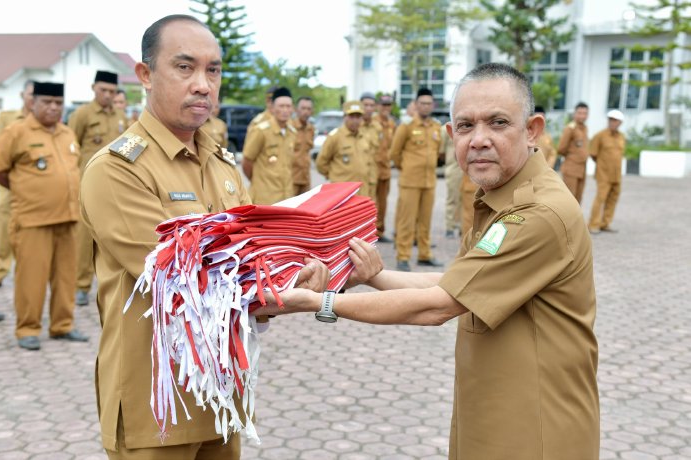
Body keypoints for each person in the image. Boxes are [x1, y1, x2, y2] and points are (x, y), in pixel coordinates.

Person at [254, 63, 600, 460]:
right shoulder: (505, 194)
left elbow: (439, 306)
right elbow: (458, 283)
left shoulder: (538, 213)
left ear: (532, 130)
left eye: (498, 123)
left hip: (536, 428)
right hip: (494, 411)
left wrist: (320, 303)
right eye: (466, 126)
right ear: (451, 136)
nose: (479, 140)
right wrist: (373, 276)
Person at [79, 15, 329, 458]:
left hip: (220, 395)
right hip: (157, 402)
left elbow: (252, 257)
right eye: (184, 67)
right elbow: (184, 280)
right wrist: (291, 293)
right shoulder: (118, 169)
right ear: (145, 75)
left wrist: (293, 272)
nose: (202, 84)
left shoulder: (221, 164)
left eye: (213, 70)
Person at [0, 81, 89, 350]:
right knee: (30, 279)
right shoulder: (17, 132)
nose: (53, 107)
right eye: (46, 101)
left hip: (68, 218)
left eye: (58, 103)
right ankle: (27, 329)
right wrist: (26, 190)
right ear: (32, 102)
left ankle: (62, 325)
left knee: (66, 278)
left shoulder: (67, 133)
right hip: (33, 219)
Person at [69, 70, 129, 306]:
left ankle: (111, 283)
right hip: (87, 185)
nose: (107, 95)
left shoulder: (121, 116)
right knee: (85, 239)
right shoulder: (82, 114)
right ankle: (81, 285)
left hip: (115, 187)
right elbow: (70, 146)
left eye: (112, 91)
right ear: (94, 88)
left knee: (114, 236)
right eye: (103, 90)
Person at [390, 88, 443, 272]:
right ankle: (403, 256)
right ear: (416, 104)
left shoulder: (436, 127)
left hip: (429, 181)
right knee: (407, 220)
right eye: (423, 103)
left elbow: (439, 152)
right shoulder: (406, 126)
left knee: (426, 221)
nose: (426, 106)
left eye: (429, 103)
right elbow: (395, 153)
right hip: (410, 181)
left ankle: (424, 254)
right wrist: (405, 169)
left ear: (433, 105)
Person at [0, 79, 34, 289]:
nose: (33, 99)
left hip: (35, 184)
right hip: (11, 182)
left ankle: (26, 272)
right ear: (22, 95)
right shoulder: (6, 118)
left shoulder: (45, 121)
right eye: (30, 95)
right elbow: (0, 151)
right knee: (3, 226)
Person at [242, 87, 296, 205]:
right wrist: (258, 181)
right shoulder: (260, 131)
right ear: (273, 107)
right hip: (265, 198)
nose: (285, 110)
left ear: (292, 109)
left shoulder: (292, 132)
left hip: (286, 197)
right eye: (281, 106)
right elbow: (247, 161)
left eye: (288, 106)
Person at [315, 100, 375, 198]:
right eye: (351, 117)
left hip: (363, 191)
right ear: (344, 117)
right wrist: (334, 176)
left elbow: (370, 162)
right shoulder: (335, 137)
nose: (355, 120)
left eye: (358, 117)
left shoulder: (365, 136)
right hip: (342, 194)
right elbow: (321, 163)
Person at [589, 109, 626, 234]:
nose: (612, 122)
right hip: (603, 174)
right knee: (600, 198)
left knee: (613, 198)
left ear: (620, 122)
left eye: (615, 120)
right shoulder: (600, 136)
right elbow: (593, 153)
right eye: (610, 120)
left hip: (617, 174)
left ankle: (605, 223)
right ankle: (593, 224)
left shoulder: (621, 137)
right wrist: (603, 165)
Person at [374, 94, 396, 243]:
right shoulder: (373, 123)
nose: (385, 108)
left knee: (383, 203)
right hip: (373, 169)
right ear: (378, 106)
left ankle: (380, 231)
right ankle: (370, 232)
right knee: (371, 202)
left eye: (388, 105)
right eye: (383, 105)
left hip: (386, 169)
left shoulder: (391, 124)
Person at [558, 101, 589, 203]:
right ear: (575, 114)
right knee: (569, 200)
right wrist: (572, 157)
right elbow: (561, 148)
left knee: (578, 198)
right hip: (571, 168)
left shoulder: (585, 128)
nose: (582, 116)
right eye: (580, 113)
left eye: (585, 113)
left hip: (582, 169)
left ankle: (575, 220)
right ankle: (566, 219)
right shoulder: (570, 128)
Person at [291, 96, 315, 195]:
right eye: (303, 108)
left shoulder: (311, 129)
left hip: (305, 179)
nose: (306, 111)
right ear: (296, 110)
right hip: (291, 179)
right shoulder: (290, 128)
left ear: (312, 111)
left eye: (308, 109)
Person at [442, 126, 462, 238]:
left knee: (466, 200)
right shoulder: (446, 129)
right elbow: (441, 151)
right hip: (454, 168)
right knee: (452, 199)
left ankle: (462, 226)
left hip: (468, 170)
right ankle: (450, 227)